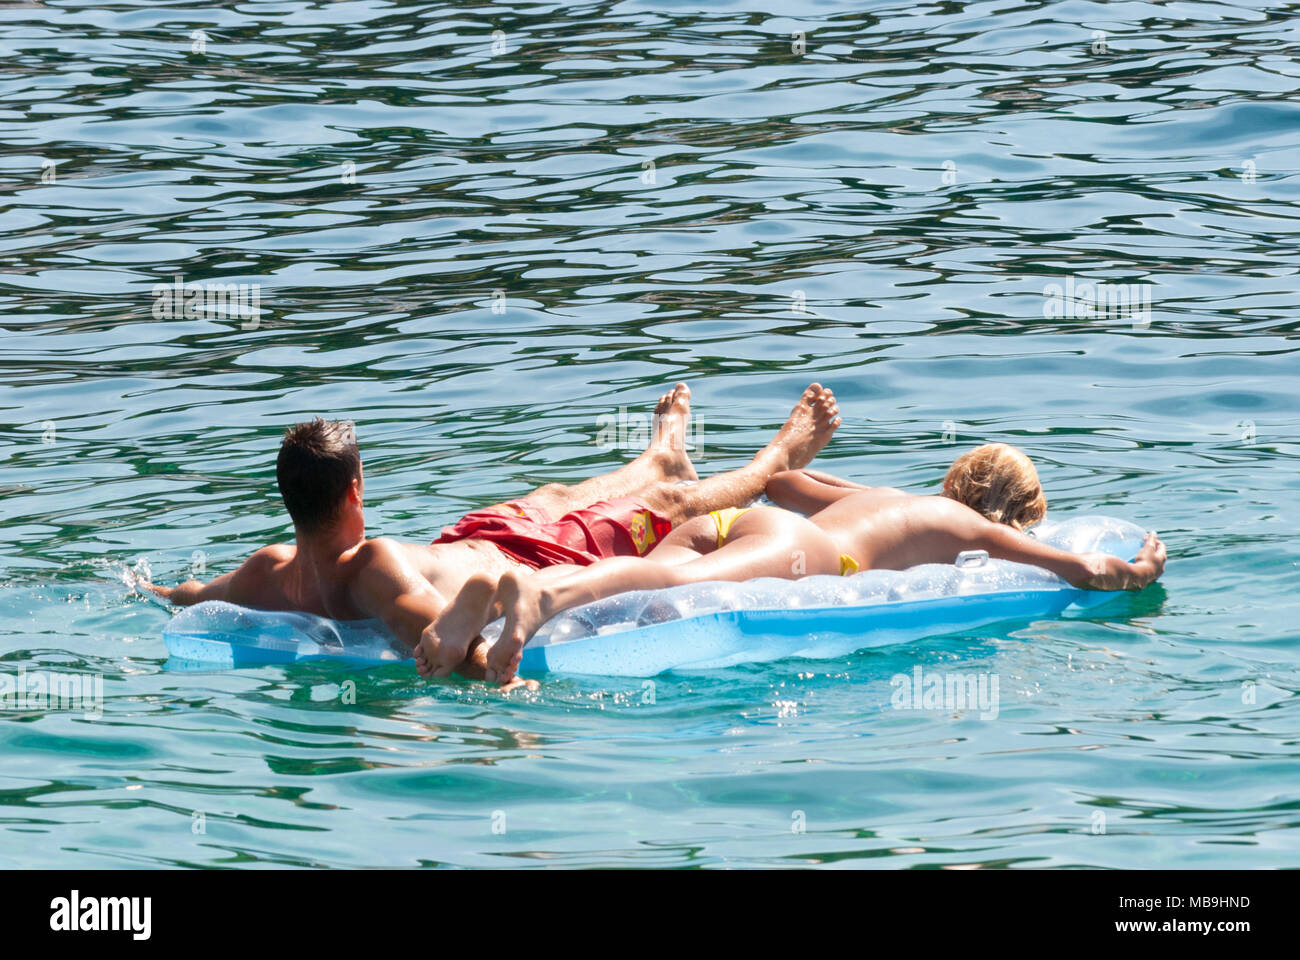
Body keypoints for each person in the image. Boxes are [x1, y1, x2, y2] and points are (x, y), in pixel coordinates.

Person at [142, 383, 842, 689]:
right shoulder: (375, 567)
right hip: (528, 560)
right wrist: (493, 677)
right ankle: (775, 459)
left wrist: (147, 587)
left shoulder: (269, 570)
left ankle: (660, 451)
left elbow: (195, 594)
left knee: (557, 496)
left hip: (477, 536)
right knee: (667, 504)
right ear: (355, 491)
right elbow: (438, 638)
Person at [421, 442, 1166, 683]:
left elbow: (783, 482)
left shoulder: (897, 497)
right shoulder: (970, 528)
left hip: (744, 521)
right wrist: (1134, 572)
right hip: (805, 554)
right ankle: (535, 600)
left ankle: (494, 610)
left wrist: (861, 490)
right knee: (675, 585)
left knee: (648, 587)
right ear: (1021, 513)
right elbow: (1074, 569)